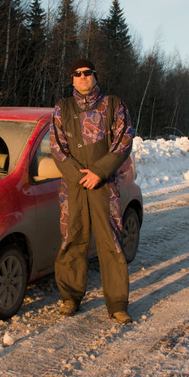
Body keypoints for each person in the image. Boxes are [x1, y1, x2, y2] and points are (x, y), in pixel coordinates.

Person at [50, 58, 135, 324]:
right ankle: (70, 298)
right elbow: (57, 148)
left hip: (104, 185)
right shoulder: (62, 109)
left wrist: (100, 172)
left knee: (111, 242)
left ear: (95, 77)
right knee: (73, 241)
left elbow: (124, 140)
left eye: (88, 73)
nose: (83, 77)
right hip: (73, 186)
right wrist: (79, 175)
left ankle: (118, 304)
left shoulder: (113, 105)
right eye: (77, 74)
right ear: (72, 79)